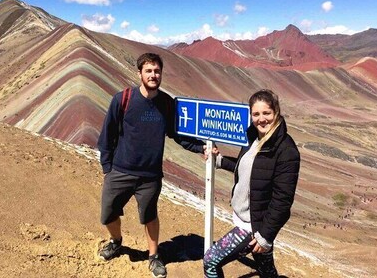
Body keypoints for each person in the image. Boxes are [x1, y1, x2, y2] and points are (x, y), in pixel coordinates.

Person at [97, 52, 207, 278]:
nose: (153, 75)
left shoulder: (167, 103)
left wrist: (201, 147)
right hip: (120, 170)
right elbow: (107, 136)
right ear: (139, 73)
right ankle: (116, 241)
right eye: (148, 70)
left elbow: (178, 135)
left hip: (150, 176)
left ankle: (154, 256)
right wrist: (107, 169)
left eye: (157, 71)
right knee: (107, 214)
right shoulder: (123, 99)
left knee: (149, 216)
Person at [203, 89, 300, 278]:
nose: (261, 119)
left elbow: (283, 200)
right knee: (266, 272)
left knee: (210, 262)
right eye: (256, 114)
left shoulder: (286, 150)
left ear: (276, 112)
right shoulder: (253, 138)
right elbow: (249, 169)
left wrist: (264, 237)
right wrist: (220, 161)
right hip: (252, 221)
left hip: (254, 227)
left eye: (266, 113)